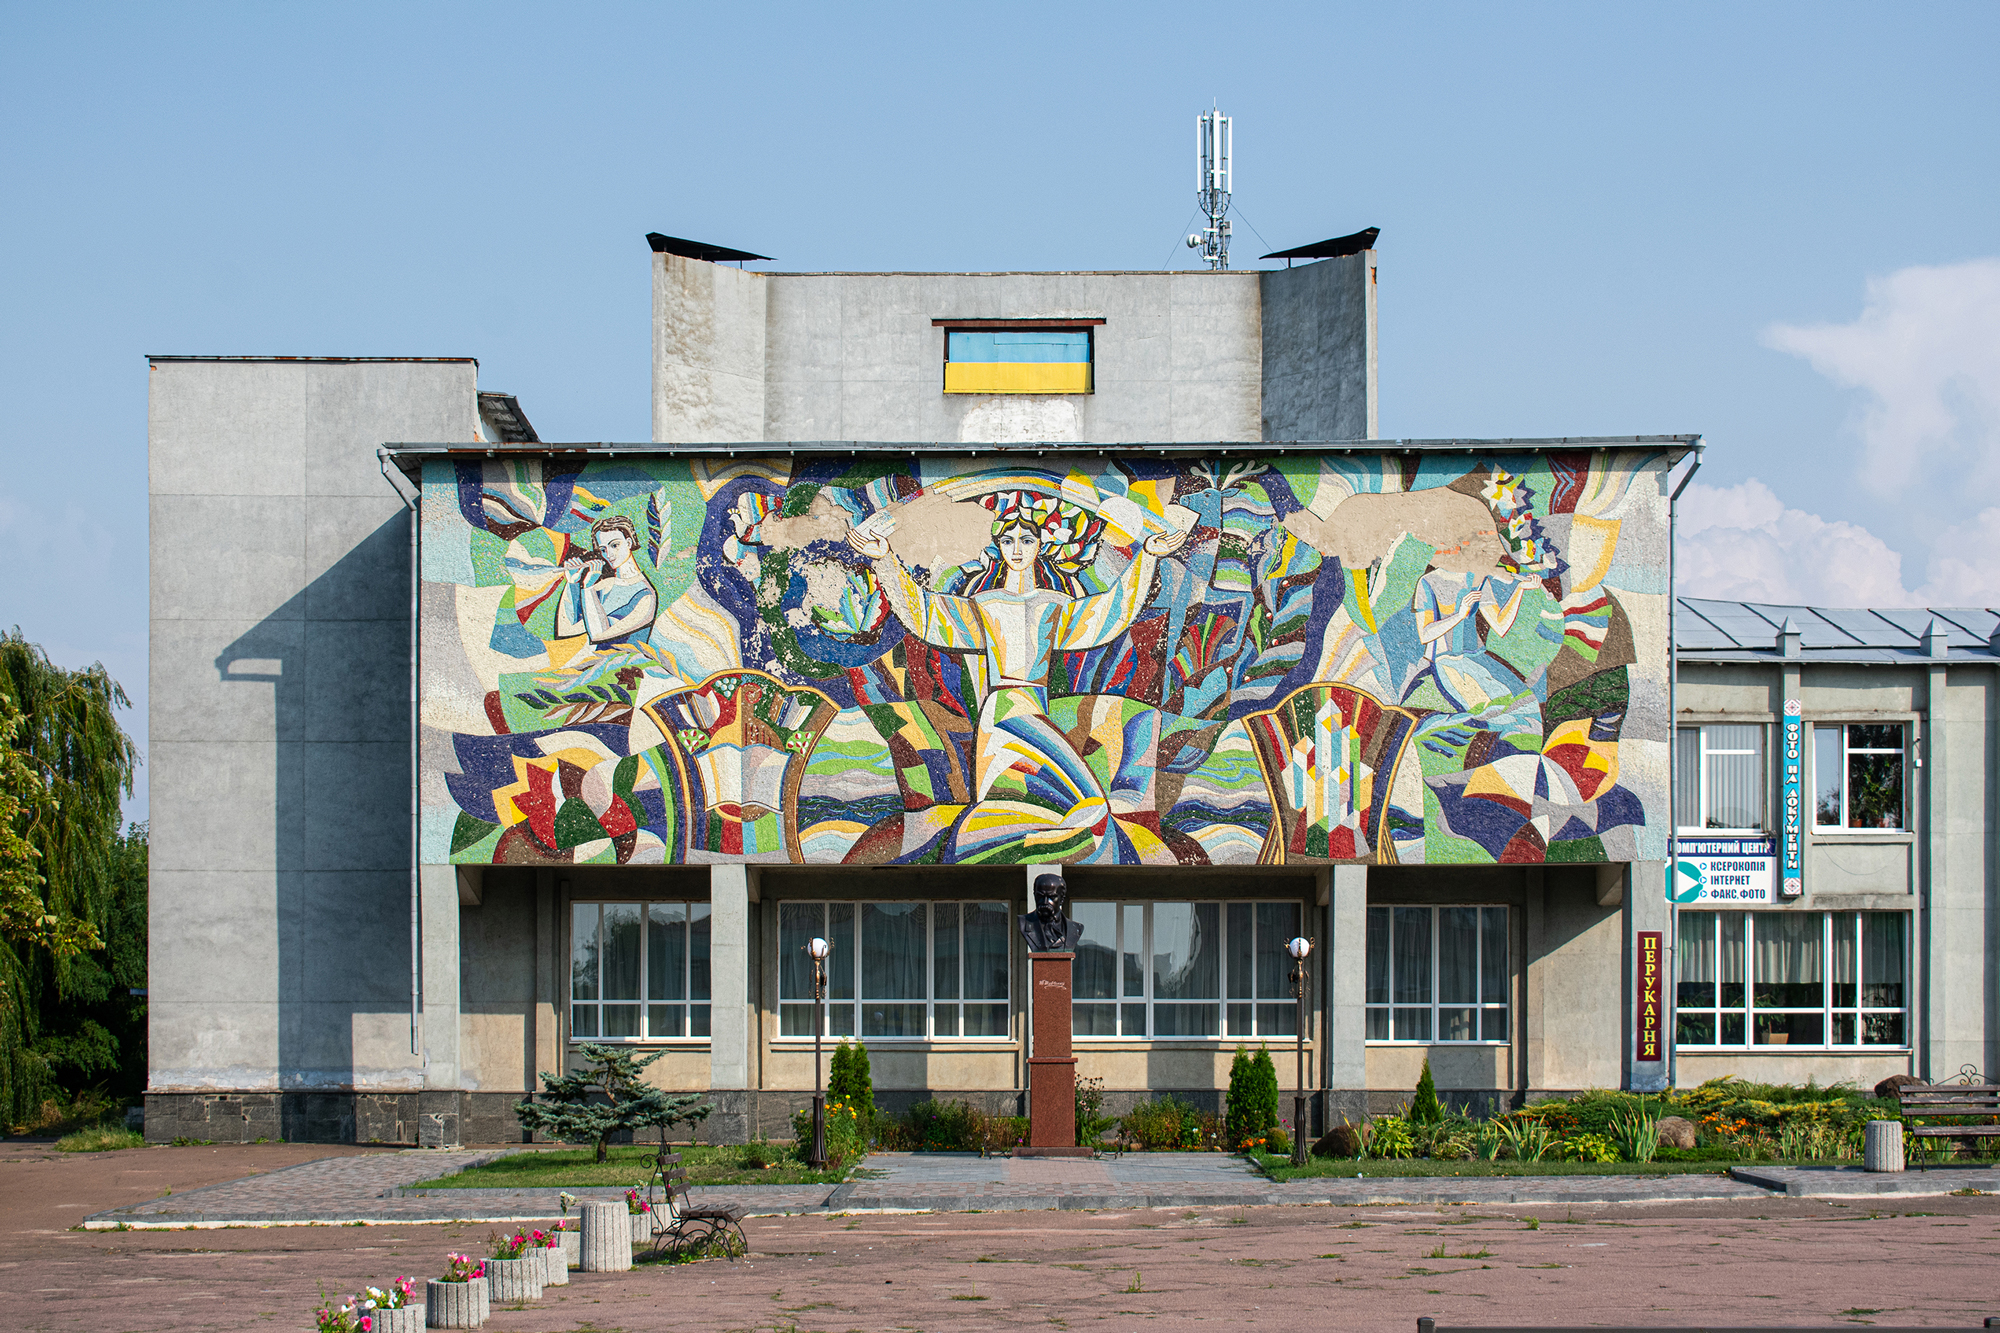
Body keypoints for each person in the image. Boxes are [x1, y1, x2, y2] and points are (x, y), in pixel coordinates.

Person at [847, 493, 1190, 863]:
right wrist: (885, 559)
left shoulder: (1054, 605)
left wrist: (1148, 556)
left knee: (1076, 805)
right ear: (998, 545)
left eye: (1026, 539)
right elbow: (925, 615)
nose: (1017, 549)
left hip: (1034, 711)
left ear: (1040, 545)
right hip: (1002, 716)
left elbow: (1109, 613)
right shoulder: (986, 604)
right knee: (1081, 802)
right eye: (1008, 540)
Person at [557, 516, 658, 648]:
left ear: (628, 543)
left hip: (622, 661)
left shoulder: (646, 597)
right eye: (603, 549)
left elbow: (598, 635)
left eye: (614, 545)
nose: (609, 555)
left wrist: (588, 588)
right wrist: (572, 584)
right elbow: (565, 631)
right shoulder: (604, 586)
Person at [1019, 872, 1084, 952]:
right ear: (1035, 896)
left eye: (1051, 897)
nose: (1045, 902)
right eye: (1040, 896)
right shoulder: (1024, 923)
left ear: (1062, 899)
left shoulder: (1075, 929)